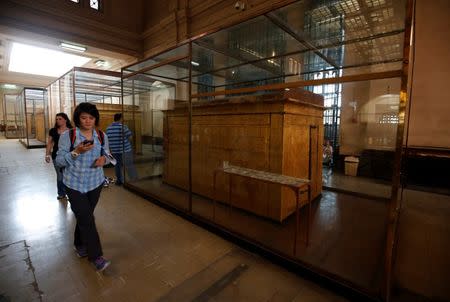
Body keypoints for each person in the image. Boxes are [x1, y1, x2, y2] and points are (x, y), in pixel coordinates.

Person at [56, 102, 111, 272]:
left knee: (84, 217)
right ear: (78, 119)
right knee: (87, 219)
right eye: (84, 117)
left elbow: (108, 155)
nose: (88, 121)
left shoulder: (101, 135)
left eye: (91, 118)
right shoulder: (69, 136)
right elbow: (59, 160)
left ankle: (79, 244)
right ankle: (96, 257)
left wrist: (105, 160)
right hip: (74, 184)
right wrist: (77, 152)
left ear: (95, 119)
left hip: (95, 183)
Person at [45, 113, 72, 200]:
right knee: (60, 175)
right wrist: (47, 154)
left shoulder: (71, 131)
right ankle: (61, 193)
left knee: (69, 175)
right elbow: (50, 143)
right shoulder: (53, 130)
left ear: (65, 120)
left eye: (60, 119)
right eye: (57, 119)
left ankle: (70, 193)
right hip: (56, 156)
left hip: (69, 156)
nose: (58, 121)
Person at [106, 113, 138, 185]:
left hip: (114, 151)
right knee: (129, 164)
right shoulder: (123, 127)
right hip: (125, 150)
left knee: (117, 166)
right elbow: (130, 138)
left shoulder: (108, 128)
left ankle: (119, 181)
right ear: (120, 118)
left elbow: (108, 140)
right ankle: (134, 179)